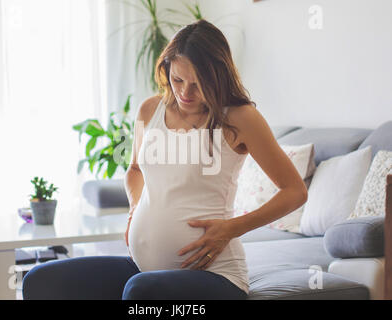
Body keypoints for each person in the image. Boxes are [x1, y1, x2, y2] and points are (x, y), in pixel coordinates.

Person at [22, 19, 307, 300]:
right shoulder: (150, 110)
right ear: (166, 68)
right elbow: (134, 169)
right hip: (144, 269)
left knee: (141, 292)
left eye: (198, 84)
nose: (185, 92)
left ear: (217, 77)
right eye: (178, 79)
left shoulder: (240, 118)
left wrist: (231, 228)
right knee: (42, 281)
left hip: (215, 276)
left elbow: (294, 191)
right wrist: (135, 208)